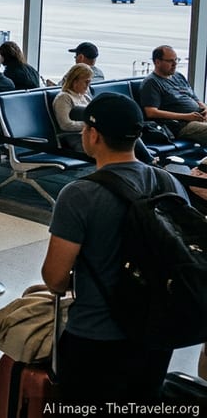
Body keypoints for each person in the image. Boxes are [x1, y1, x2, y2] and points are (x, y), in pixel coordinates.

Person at [41, 92, 187, 406]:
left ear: (94, 135)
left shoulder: (79, 194)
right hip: (156, 335)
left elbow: (54, 278)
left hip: (95, 335)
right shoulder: (169, 184)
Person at [138, 45, 207, 145]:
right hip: (181, 125)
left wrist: (205, 108)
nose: (175, 64)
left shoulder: (178, 76)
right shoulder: (151, 83)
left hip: (199, 117)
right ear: (157, 62)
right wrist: (186, 117)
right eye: (170, 61)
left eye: (176, 60)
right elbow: (151, 112)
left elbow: (195, 99)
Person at [53, 63, 94, 149]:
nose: (88, 86)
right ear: (75, 81)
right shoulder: (64, 98)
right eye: (86, 82)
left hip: (87, 136)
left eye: (89, 82)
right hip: (74, 138)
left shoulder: (85, 97)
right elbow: (65, 125)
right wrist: (89, 125)